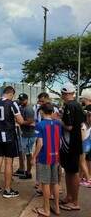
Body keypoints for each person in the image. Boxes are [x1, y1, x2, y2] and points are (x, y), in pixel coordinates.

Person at [0, 86, 24, 198]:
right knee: (8, 163)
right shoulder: (12, 103)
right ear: (11, 94)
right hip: (9, 136)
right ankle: (7, 189)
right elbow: (20, 120)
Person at [31, 103, 61, 216]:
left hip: (44, 157)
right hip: (56, 156)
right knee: (56, 182)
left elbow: (40, 143)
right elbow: (60, 141)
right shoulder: (58, 124)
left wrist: (34, 157)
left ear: (42, 112)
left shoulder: (40, 124)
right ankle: (57, 208)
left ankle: (46, 209)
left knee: (45, 183)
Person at [59, 83, 84, 211]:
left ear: (65, 93)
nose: (62, 96)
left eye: (62, 93)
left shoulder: (70, 105)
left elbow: (69, 126)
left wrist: (58, 120)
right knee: (69, 171)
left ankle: (75, 202)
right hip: (74, 144)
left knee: (73, 172)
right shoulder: (77, 105)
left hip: (71, 145)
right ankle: (69, 197)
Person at [17, 93, 35, 179]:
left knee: (28, 154)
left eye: (22, 100)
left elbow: (30, 121)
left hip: (29, 135)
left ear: (26, 100)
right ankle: (21, 169)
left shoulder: (29, 109)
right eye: (20, 99)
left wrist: (21, 122)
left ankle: (28, 172)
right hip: (23, 134)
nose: (21, 101)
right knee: (21, 153)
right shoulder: (21, 107)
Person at [79, 105, 91, 187]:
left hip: (83, 145)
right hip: (88, 145)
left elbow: (82, 137)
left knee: (82, 162)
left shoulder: (83, 125)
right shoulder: (89, 124)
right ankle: (81, 178)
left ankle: (88, 179)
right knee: (82, 162)